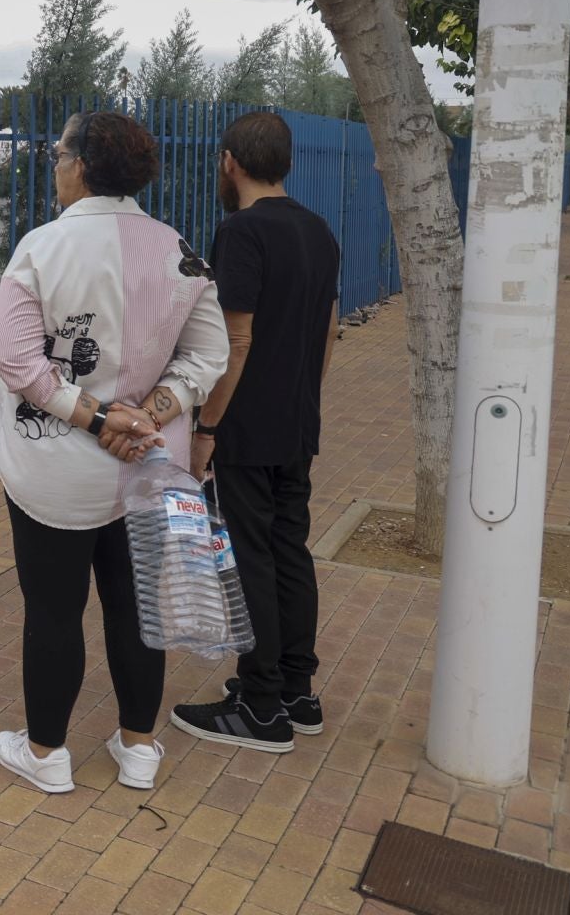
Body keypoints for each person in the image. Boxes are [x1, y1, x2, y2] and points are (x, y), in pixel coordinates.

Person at [0, 110, 228, 796]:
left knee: (54, 608)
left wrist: (97, 418)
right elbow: (211, 352)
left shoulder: (41, 249)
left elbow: (17, 360)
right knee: (134, 605)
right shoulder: (180, 250)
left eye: (58, 152)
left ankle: (47, 753)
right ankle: (140, 746)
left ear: (82, 164)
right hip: (150, 465)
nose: (54, 164)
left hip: (55, 468)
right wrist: (149, 416)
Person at [172, 112, 340, 754]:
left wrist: (207, 427)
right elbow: (328, 330)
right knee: (290, 549)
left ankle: (261, 705)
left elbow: (234, 341)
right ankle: (298, 692)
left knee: (250, 556)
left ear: (229, 162)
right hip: (297, 420)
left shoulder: (241, 232)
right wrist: (304, 396)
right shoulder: (318, 230)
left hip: (247, 422)